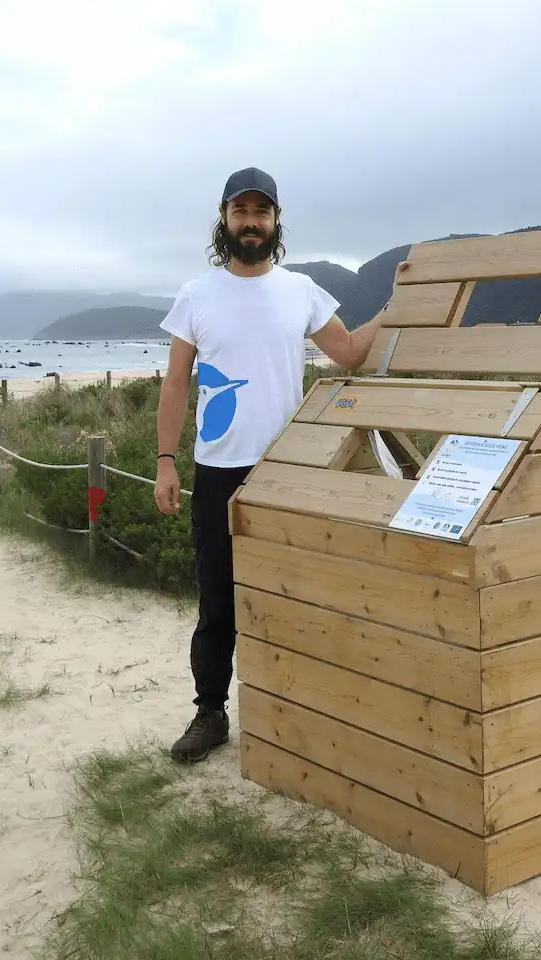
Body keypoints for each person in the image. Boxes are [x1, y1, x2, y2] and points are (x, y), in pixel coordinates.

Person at [153, 166, 385, 763]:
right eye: (241, 211)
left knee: (295, 593)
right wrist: (164, 462)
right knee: (218, 602)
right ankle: (210, 714)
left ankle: (295, 710)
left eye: (261, 211)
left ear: (276, 220)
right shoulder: (195, 295)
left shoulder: (302, 291)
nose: (251, 221)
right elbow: (177, 383)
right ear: (224, 219)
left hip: (290, 469)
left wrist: (402, 304)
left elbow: (352, 353)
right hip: (218, 472)